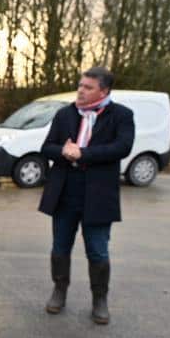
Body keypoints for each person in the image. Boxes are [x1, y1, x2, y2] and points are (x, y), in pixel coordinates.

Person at [39, 67, 133, 324]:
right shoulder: (65, 114)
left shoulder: (121, 115)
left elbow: (122, 147)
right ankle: (59, 290)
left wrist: (83, 154)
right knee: (60, 247)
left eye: (88, 87)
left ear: (104, 91)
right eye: (80, 85)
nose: (80, 90)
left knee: (98, 251)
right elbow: (46, 147)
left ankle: (100, 299)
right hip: (65, 193)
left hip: (99, 195)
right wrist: (64, 152)